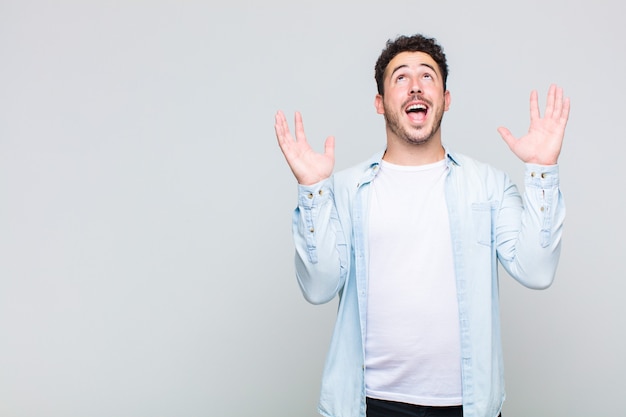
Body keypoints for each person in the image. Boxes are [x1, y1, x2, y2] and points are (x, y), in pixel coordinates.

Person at [274, 33, 570, 417]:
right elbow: (318, 287)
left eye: (427, 76)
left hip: (468, 406)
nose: (415, 86)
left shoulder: (488, 185)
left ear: (445, 99)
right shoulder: (345, 190)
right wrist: (313, 190)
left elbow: (537, 270)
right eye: (400, 77)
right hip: (370, 404)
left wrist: (542, 170)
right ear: (380, 103)